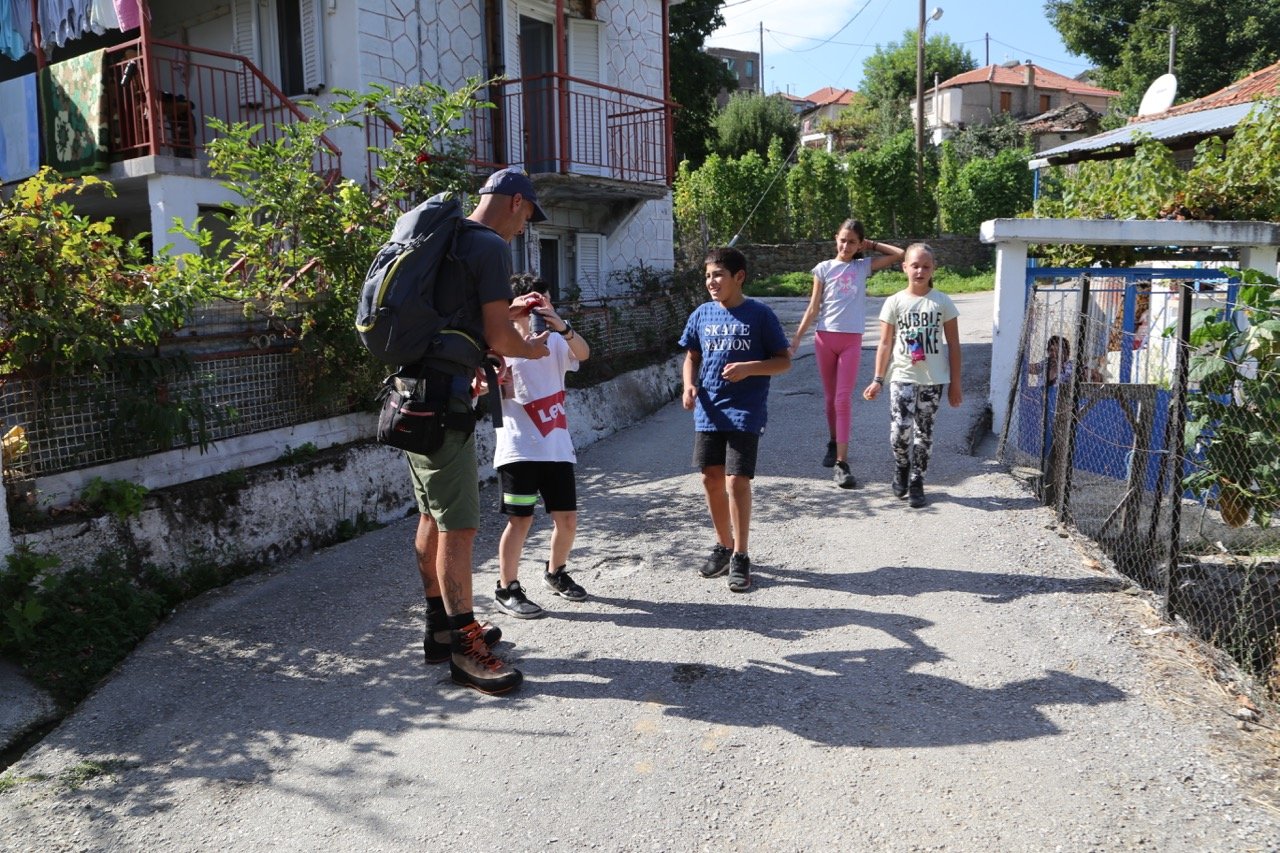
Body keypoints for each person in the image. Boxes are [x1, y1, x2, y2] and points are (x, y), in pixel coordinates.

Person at [408, 167, 552, 696]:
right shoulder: (490, 246)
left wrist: (503, 314)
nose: (523, 228)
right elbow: (499, 337)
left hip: (410, 396)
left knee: (431, 512)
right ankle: (467, 648)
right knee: (460, 526)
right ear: (515, 202)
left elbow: (462, 319)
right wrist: (533, 346)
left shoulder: (445, 237)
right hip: (445, 403)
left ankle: (439, 629)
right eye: (527, 217)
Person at [680, 246, 791, 592]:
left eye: (718, 275)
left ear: (738, 277)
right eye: (708, 276)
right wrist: (688, 386)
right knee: (710, 478)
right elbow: (691, 356)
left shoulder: (759, 315)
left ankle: (741, 555)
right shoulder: (701, 314)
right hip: (709, 410)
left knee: (735, 481)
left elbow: (783, 360)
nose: (711, 282)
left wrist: (749, 368)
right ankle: (724, 545)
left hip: (746, 410)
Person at [492, 273, 592, 619]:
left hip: (556, 447)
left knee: (567, 520)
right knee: (520, 521)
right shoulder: (499, 344)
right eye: (533, 303)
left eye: (546, 301)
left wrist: (561, 325)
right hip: (518, 448)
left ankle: (556, 571)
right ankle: (507, 588)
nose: (540, 309)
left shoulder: (556, 341)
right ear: (515, 306)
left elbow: (584, 352)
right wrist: (509, 317)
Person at [790, 219, 904, 488]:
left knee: (843, 399)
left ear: (859, 244)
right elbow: (813, 308)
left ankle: (842, 463)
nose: (846, 245)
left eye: (852, 241)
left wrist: (872, 245)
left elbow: (900, 255)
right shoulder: (823, 269)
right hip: (824, 339)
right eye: (842, 240)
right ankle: (833, 441)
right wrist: (795, 340)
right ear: (835, 239)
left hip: (851, 340)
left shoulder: (862, 266)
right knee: (830, 398)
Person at [862, 243, 962, 509]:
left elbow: (953, 344)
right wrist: (877, 379)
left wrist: (955, 384)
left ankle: (917, 480)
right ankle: (902, 466)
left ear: (933, 269)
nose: (920, 271)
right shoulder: (894, 301)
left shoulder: (942, 301)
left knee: (924, 432)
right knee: (900, 430)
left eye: (926, 266)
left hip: (933, 379)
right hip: (902, 376)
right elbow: (884, 343)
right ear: (904, 267)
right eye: (915, 265)